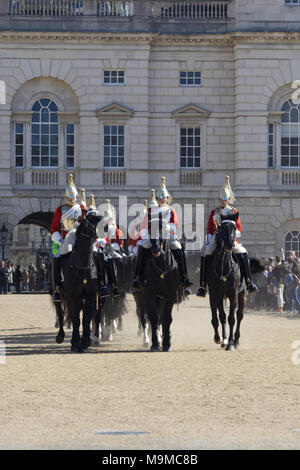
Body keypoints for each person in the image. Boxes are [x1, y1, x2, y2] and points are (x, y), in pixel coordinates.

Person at [197, 175, 258, 297]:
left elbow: (239, 228)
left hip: (230, 238)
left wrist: (233, 235)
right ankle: (202, 286)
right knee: (205, 254)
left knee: (244, 254)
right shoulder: (214, 212)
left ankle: (249, 282)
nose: (223, 202)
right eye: (221, 199)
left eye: (226, 199)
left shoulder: (234, 212)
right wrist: (208, 241)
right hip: (216, 238)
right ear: (219, 199)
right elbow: (209, 228)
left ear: (229, 199)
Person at [131, 176, 193, 292]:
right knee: (143, 248)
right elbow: (144, 226)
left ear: (167, 199)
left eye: (164, 198)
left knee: (179, 249)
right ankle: (138, 277)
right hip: (153, 235)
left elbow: (175, 225)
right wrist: (145, 237)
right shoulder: (151, 210)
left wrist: (166, 226)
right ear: (157, 199)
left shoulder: (170, 210)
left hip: (167, 235)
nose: (162, 200)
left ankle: (184, 277)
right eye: (160, 198)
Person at [50, 174, 87, 302]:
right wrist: (60, 241)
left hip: (79, 239)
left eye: (73, 197)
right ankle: (57, 289)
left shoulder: (81, 209)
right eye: (69, 197)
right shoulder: (60, 210)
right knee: (56, 258)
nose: (71, 199)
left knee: (95, 257)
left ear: (77, 197)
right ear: (66, 197)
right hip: (65, 240)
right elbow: (54, 228)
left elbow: (87, 225)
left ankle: (101, 284)